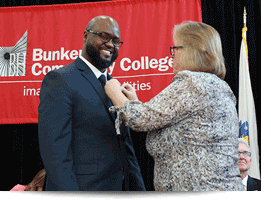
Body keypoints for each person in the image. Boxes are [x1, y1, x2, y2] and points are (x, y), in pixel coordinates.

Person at [104, 21, 245, 191]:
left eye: (174, 49)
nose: (171, 55)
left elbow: (140, 119)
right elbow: (163, 121)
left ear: (190, 51)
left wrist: (114, 91)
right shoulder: (216, 85)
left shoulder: (193, 82)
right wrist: (135, 102)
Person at [38, 15, 145, 191]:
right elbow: (55, 153)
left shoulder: (116, 89)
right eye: (104, 37)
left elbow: (127, 149)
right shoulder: (60, 79)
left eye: (116, 41)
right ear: (86, 36)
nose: (110, 44)